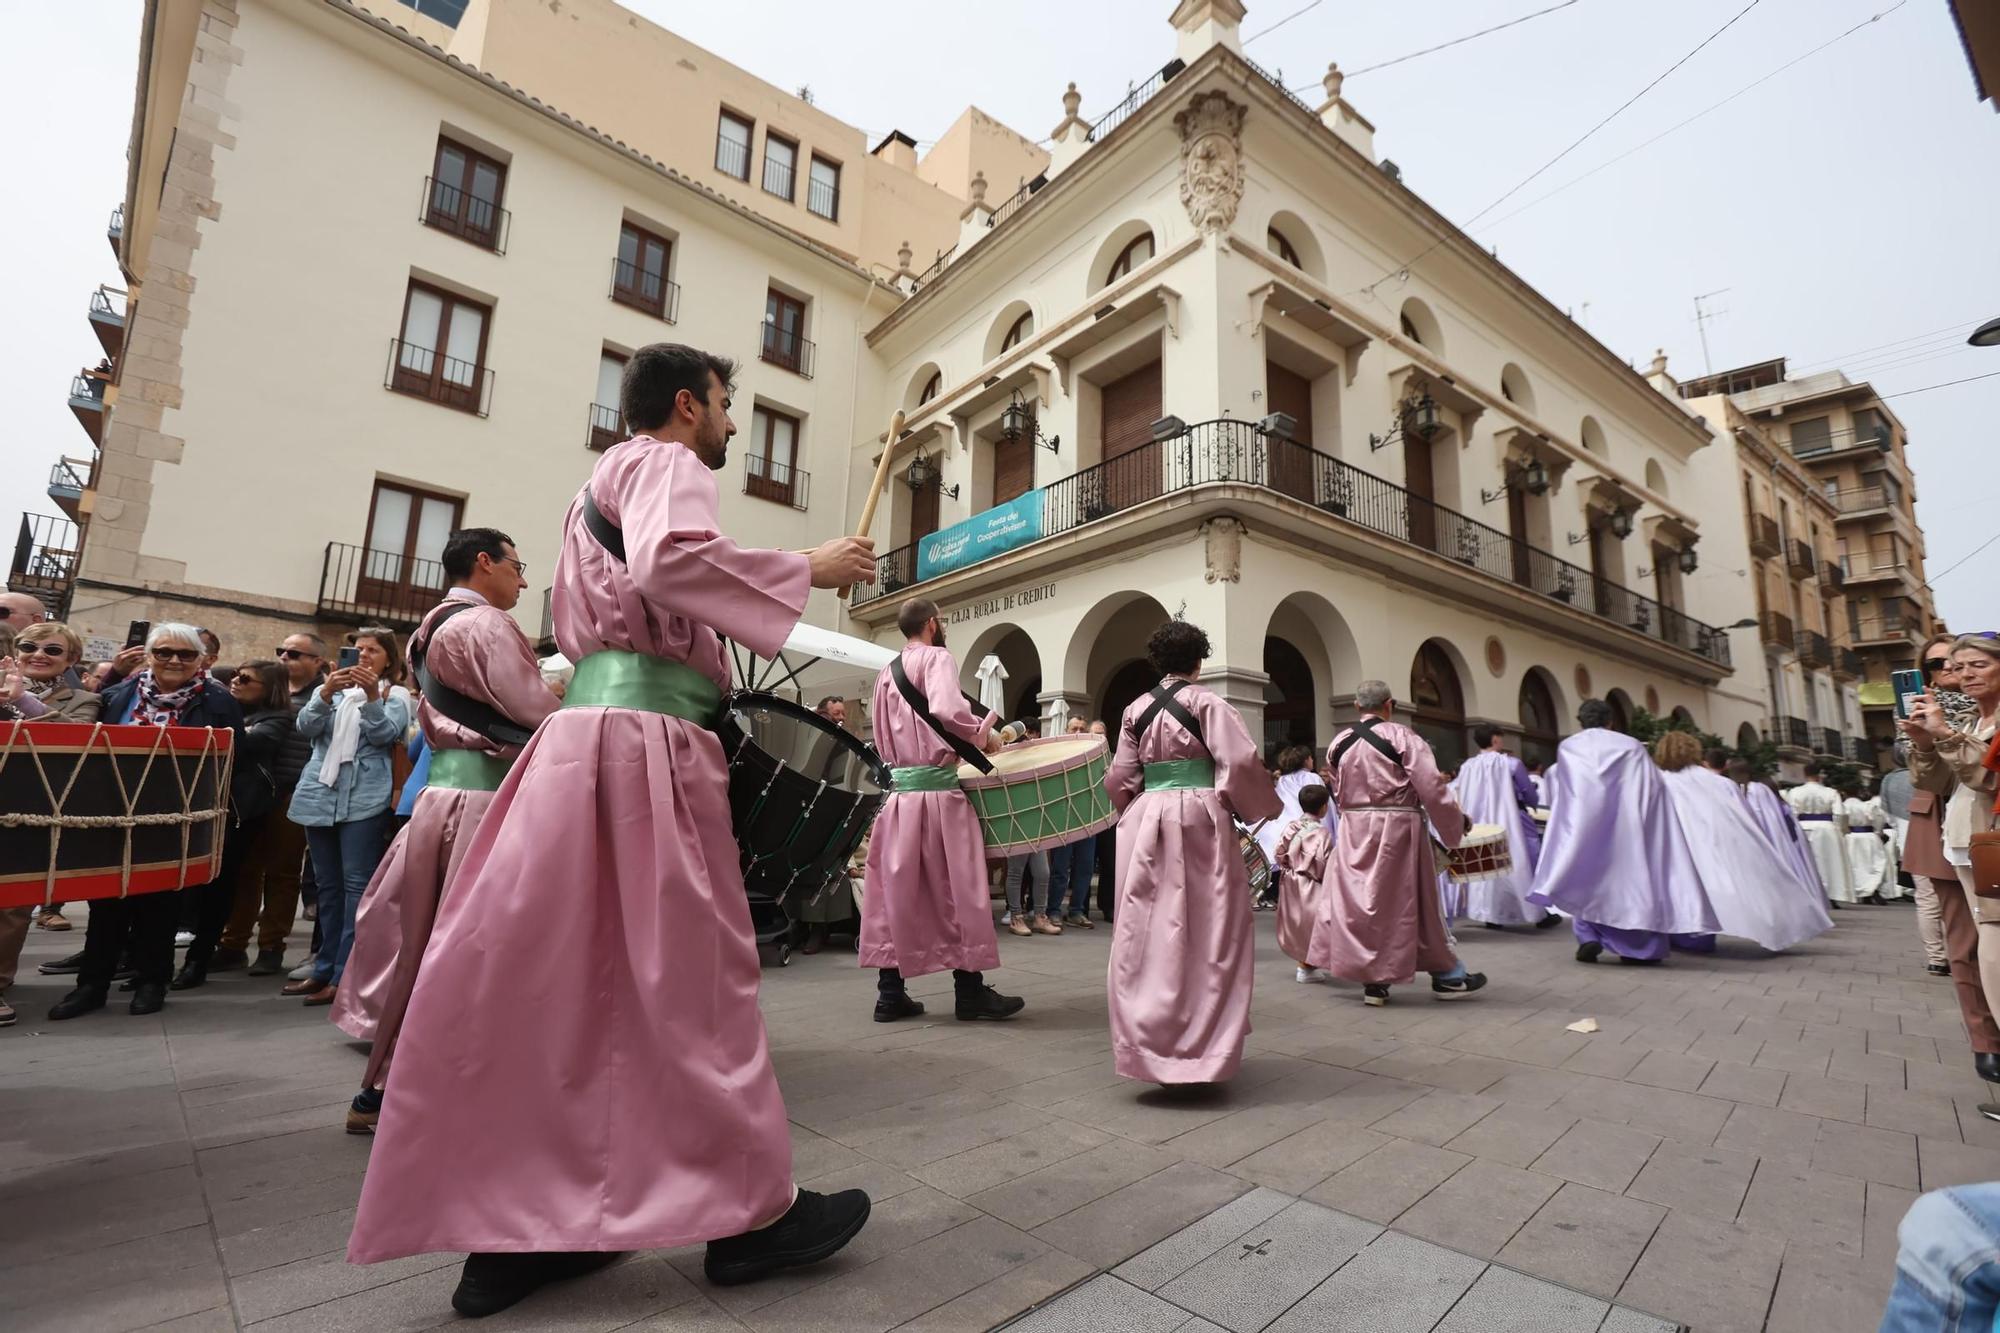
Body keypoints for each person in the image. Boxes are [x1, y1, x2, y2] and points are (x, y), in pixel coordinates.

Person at [347, 343, 879, 1313]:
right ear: (688, 404)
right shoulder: (666, 461)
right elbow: (675, 563)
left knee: (556, 985)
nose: (729, 424)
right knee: (691, 978)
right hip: (647, 750)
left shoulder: (599, 480)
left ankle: (520, 1230)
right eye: (726, 405)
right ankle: (748, 1217)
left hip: (583, 747)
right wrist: (813, 562)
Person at [332, 529, 559, 1135]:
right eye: (518, 564)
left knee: (425, 942)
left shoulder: (428, 628)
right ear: (484, 562)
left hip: (441, 801)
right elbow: (536, 714)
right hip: (481, 802)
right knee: (467, 947)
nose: (523, 578)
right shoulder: (485, 626)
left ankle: (384, 1088)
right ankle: (424, 1086)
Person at [1105, 620, 1280, 1079]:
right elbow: (1240, 762)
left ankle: (1146, 1042)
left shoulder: (1133, 709)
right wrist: (1244, 806)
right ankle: (1206, 1048)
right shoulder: (1209, 703)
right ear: (1198, 662)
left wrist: (1138, 806)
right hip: (1201, 818)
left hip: (1146, 820)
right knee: (1211, 927)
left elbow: (1120, 776)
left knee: (1143, 927)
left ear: (1157, 661)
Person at [48, 624, 244, 1020]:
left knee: (162, 903)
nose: (174, 661)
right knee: (106, 901)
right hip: (116, 813)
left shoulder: (220, 702)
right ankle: (91, 985)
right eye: (165, 652)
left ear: (200, 660)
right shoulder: (118, 694)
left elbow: (230, 758)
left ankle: (153, 980)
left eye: (185, 654)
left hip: (176, 815)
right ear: (149, 655)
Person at [861, 597, 1023, 1020]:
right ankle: (969, 992)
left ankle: (889, 995)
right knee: (961, 890)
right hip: (939, 798)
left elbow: (881, 735)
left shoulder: (885, 673)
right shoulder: (937, 658)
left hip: (899, 800)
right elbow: (948, 711)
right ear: (932, 624)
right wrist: (983, 736)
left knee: (894, 894)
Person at [1308, 680, 1485, 1005]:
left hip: (1354, 828)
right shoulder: (1404, 737)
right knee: (1410, 903)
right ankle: (1446, 975)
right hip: (1398, 827)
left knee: (1360, 903)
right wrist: (1455, 822)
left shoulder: (1339, 743)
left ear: (1358, 706)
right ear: (1389, 704)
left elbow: (1335, 788)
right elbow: (1431, 786)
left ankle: (1375, 981)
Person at [1529, 698, 1717, 964]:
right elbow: (1649, 789)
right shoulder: (1630, 746)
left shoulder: (1569, 747)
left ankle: (1588, 934)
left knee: (1585, 875)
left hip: (1582, 824)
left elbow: (1569, 789)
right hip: (1625, 825)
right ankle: (1635, 947)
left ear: (1581, 722)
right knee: (1629, 880)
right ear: (1610, 721)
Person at [283, 627, 411, 1007]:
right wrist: (323, 693)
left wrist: (372, 697)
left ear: (390, 658)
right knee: (327, 887)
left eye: (373, 650)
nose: (364, 655)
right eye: (358, 649)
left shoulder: (396, 694)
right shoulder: (333, 692)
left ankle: (344, 975)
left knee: (357, 888)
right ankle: (323, 968)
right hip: (321, 794)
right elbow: (306, 727)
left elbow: (385, 735)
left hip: (364, 798)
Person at [1906, 635, 2000, 1077]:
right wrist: (1925, 741)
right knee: (1968, 945)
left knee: (1993, 943)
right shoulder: (1937, 708)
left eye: (1966, 663)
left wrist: (1944, 733)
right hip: (1955, 836)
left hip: (1986, 836)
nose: (1956, 673)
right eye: (1943, 665)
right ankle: (1987, 1044)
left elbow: (1987, 773)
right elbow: (1931, 779)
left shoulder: (1980, 710)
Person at [171, 658, 295, 990]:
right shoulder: (234, 711)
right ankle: (231, 944)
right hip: (223, 805)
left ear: (269, 688)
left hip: (253, 808)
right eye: (235, 677)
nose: (235, 682)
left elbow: (244, 743)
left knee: (271, 876)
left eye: (246, 679)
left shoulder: (278, 717)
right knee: (240, 879)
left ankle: (268, 947)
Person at [1653, 732, 1832, 952]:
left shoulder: (1657, 780)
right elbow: (1742, 816)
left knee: (1676, 887)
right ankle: (1702, 934)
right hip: (1710, 843)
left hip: (1671, 844)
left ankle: (1678, 931)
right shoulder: (1718, 782)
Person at [216, 631, 325, 976]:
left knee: (282, 873)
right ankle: (233, 944)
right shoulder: (263, 696)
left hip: (289, 795)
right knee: (246, 871)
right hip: (253, 797)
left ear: (316, 661)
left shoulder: (326, 696)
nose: (285, 657)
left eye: (294, 654)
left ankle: (271, 948)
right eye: (281, 651)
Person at [1449, 724, 1550, 929]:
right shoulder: (1511, 763)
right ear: (1495, 740)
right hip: (1510, 817)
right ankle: (1534, 910)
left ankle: (1490, 912)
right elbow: (1528, 792)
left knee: (1486, 863)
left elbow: (1455, 789)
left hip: (1479, 821)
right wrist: (1531, 802)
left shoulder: (1468, 766)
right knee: (1521, 861)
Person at [1274, 783, 1334, 983]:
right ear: (1325, 807)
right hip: (1310, 881)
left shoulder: (1292, 826)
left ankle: (1304, 963)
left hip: (1290, 879)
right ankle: (1307, 966)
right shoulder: (1322, 832)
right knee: (1313, 922)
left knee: (1297, 922)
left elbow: (1279, 851)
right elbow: (1322, 861)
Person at [1046, 713, 1100, 928]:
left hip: (1089, 819)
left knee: (1085, 868)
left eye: (1082, 729)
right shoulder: (1058, 755)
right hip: (1065, 819)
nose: (1078, 732)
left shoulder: (1094, 755)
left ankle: (1076, 911)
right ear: (1067, 731)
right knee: (1060, 869)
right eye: (1074, 728)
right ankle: (1053, 910)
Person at [1786, 761, 1854, 907]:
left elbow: (1793, 813)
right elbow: (1840, 814)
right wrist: (1840, 830)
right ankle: (1831, 894)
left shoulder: (1795, 792)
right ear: (1819, 775)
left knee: (1808, 861)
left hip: (1804, 828)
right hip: (1827, 829)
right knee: (1829, 862)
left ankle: (1810, 892)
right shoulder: (1830, 792)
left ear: (1805, 774)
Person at [1844, 781, 1895, 904]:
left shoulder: (1843, 805)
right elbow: (1878, 819)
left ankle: (1858, 891)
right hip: (1869, 837)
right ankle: (1872, 890)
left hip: (1851, 837)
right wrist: (1879, 832)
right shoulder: (1867, 806)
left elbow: (1840, 819)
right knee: (1873, 865)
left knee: (1854, 864)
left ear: (1844, 793)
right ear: (1859, 792)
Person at [1089, 719, 1118, 923]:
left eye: (1102, 734)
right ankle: (1078, 910)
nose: (1099, 737)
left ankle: (1108, 906)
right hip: (1086, 818)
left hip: (1108, 818)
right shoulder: (1081, 759)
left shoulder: (1116, 759)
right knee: (1084, 865)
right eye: (1095, 734)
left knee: (1110, 864)